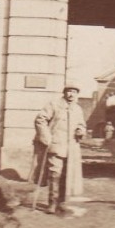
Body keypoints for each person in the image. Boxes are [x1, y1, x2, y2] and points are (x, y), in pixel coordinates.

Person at [32, 81, 87, 215]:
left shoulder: (78, 109)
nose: (71, 94)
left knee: (66, 176)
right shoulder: (54, 105)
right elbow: (40, 120)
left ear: (77, 94)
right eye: (68, 91)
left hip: (71, 148)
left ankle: (62, 202)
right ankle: (52, 202)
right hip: (55, 145)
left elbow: (82, 124)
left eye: (74, 92)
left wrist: (81, 130)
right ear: (64, 92)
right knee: (54, 173)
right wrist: (45, 136)